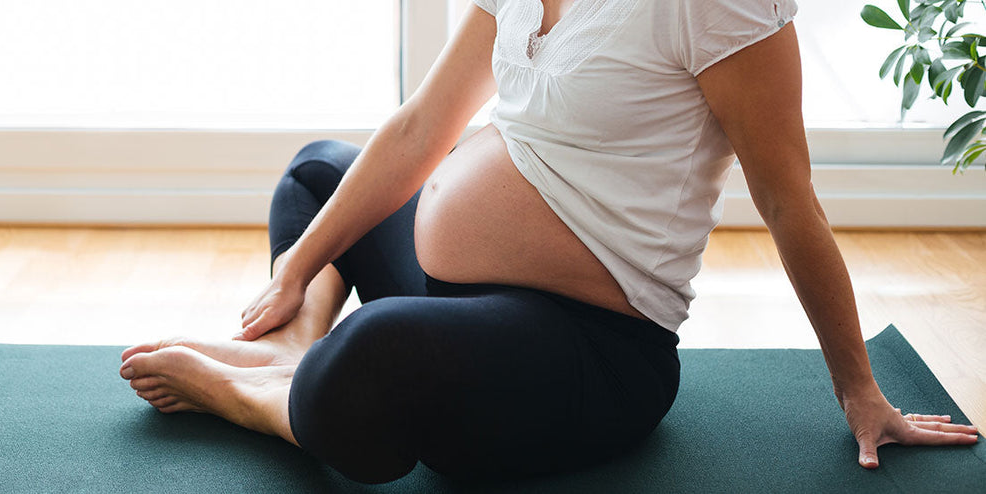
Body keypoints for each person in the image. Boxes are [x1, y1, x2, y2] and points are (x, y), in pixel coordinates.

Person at [118, 0, 979, 485]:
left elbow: (791, 202)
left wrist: (860, 391)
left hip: (590, 349)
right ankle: (294, 348)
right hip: (453, 298)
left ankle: (263, 395)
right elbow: (422, 127)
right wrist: (296, 271)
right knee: (316, 178)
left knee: (372, 354)